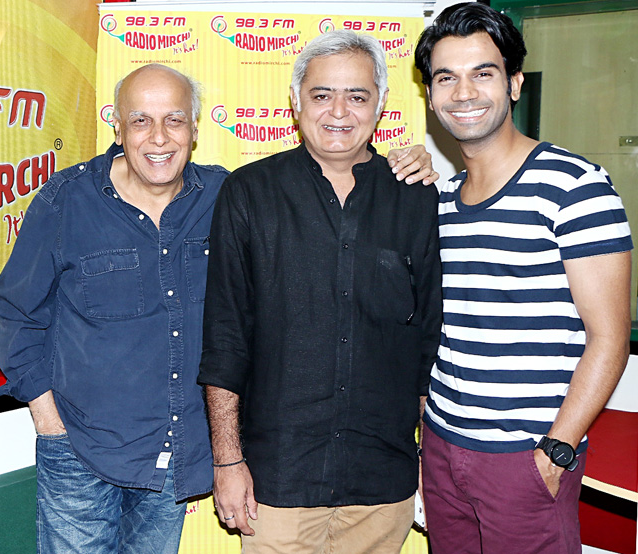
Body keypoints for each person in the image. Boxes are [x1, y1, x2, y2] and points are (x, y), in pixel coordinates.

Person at [0, 62, 434, 552]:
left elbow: (309, 178)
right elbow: (15, 313)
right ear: (116, 126)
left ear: (195, 129)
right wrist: (50, 423)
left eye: (175, 120)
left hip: (173, 453)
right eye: (140, 120)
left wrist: (400, 161)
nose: (158, 137)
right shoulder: (66, 201)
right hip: (81, 450)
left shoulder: (228, 194)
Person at [198, 29, 442, 554]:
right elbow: (224, 342)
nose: (339, 111)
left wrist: (432, 465)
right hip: (279, 483)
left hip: (383, 484)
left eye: (357, 95)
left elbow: (427, 344)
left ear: (379, 105)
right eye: (322, 94)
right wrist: (227, 461)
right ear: (294, 101)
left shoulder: (417, 199)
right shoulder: (248, 193)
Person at [413, 4, 633, 554]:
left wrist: (555, 451)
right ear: (432, 94)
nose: (464, 92)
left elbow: (609, 338)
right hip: (442, 447)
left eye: (482, 72)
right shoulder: (437, 200)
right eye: (447, 77)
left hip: (526, 459)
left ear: (514, 83)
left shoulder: (576, 186)